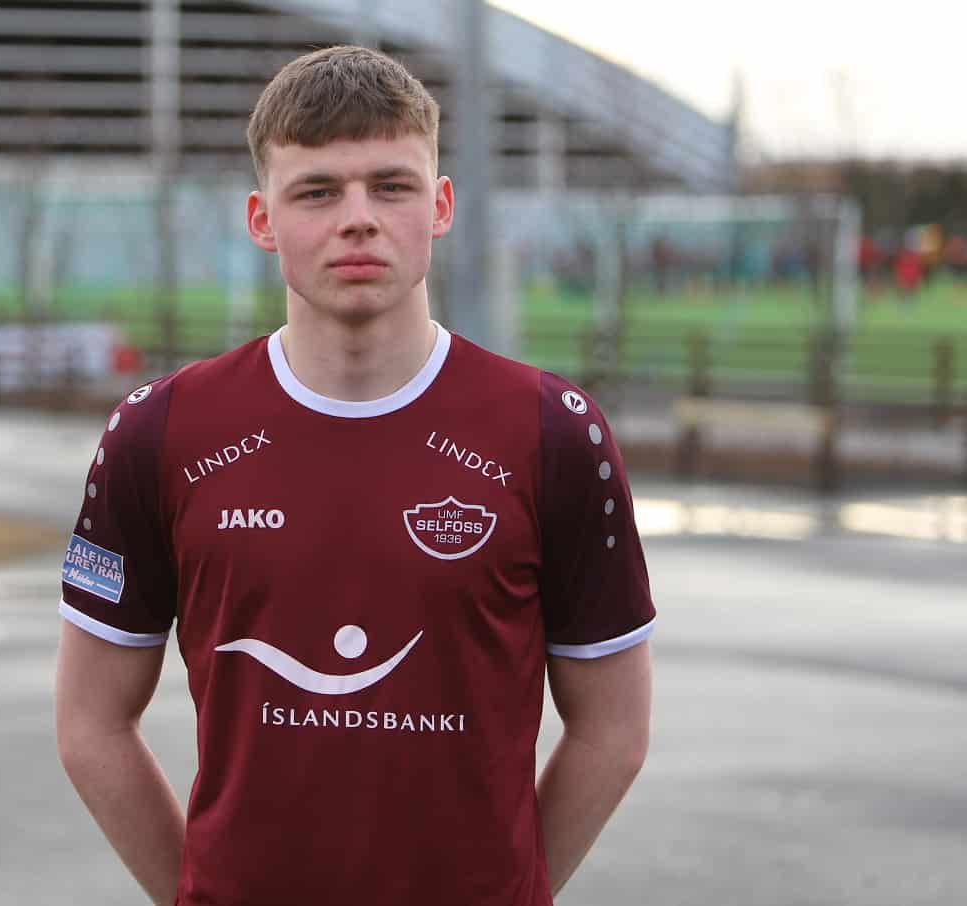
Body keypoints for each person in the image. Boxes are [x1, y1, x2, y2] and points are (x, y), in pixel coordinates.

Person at [55, 45, 654, 906]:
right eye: (318, 192)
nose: (359, 219)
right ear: (262, 218)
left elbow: (614, 730)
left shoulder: (552, 432)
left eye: (391, 185)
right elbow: (90, 723)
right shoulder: (161, 432)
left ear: (440, 206)